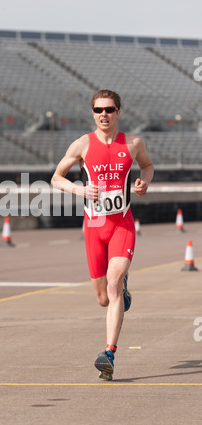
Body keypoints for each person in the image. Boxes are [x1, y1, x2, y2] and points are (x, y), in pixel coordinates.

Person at [51, 89, 154, 380]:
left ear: (118, 112)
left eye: (109, 109)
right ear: (93, 113)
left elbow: (147, 166)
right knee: (102, 298)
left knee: (113, 282)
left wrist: (143, 183)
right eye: (98, 110)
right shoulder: (82, 144)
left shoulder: (133, 143)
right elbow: (56, 178)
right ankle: (121, 290)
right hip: (94, 228)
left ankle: (108, 353)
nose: (104, 115)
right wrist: (79, 189)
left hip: (122, 224)